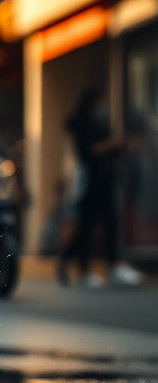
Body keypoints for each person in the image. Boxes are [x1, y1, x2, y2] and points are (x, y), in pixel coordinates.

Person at [57, 86, 142, 287]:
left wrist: (121, 147)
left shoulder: (100, 122)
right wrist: (112, 144)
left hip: (105, 180)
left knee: (110, 222)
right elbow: (88, 151)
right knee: (87, 226)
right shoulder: (82, 124)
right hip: (90, 182)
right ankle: (80, 267)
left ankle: (113, 265)